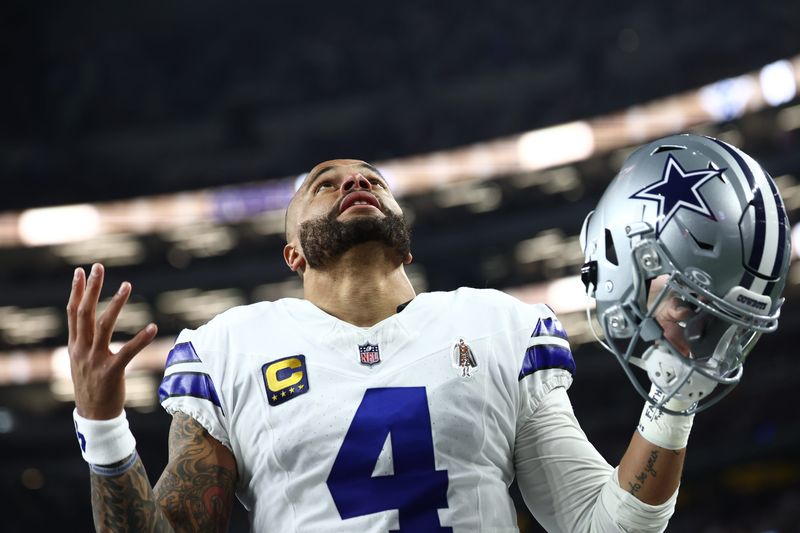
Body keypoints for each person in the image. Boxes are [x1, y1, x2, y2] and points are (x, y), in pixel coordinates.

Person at [67, 138, 789, 531]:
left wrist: (673, 403)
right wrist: (103, 427)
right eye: (326, 181)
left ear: (406, 241)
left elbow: (607, 527)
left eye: (371, 179)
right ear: (292, 254)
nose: (355, 181)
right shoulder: (229, 349)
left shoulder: (498, 325)